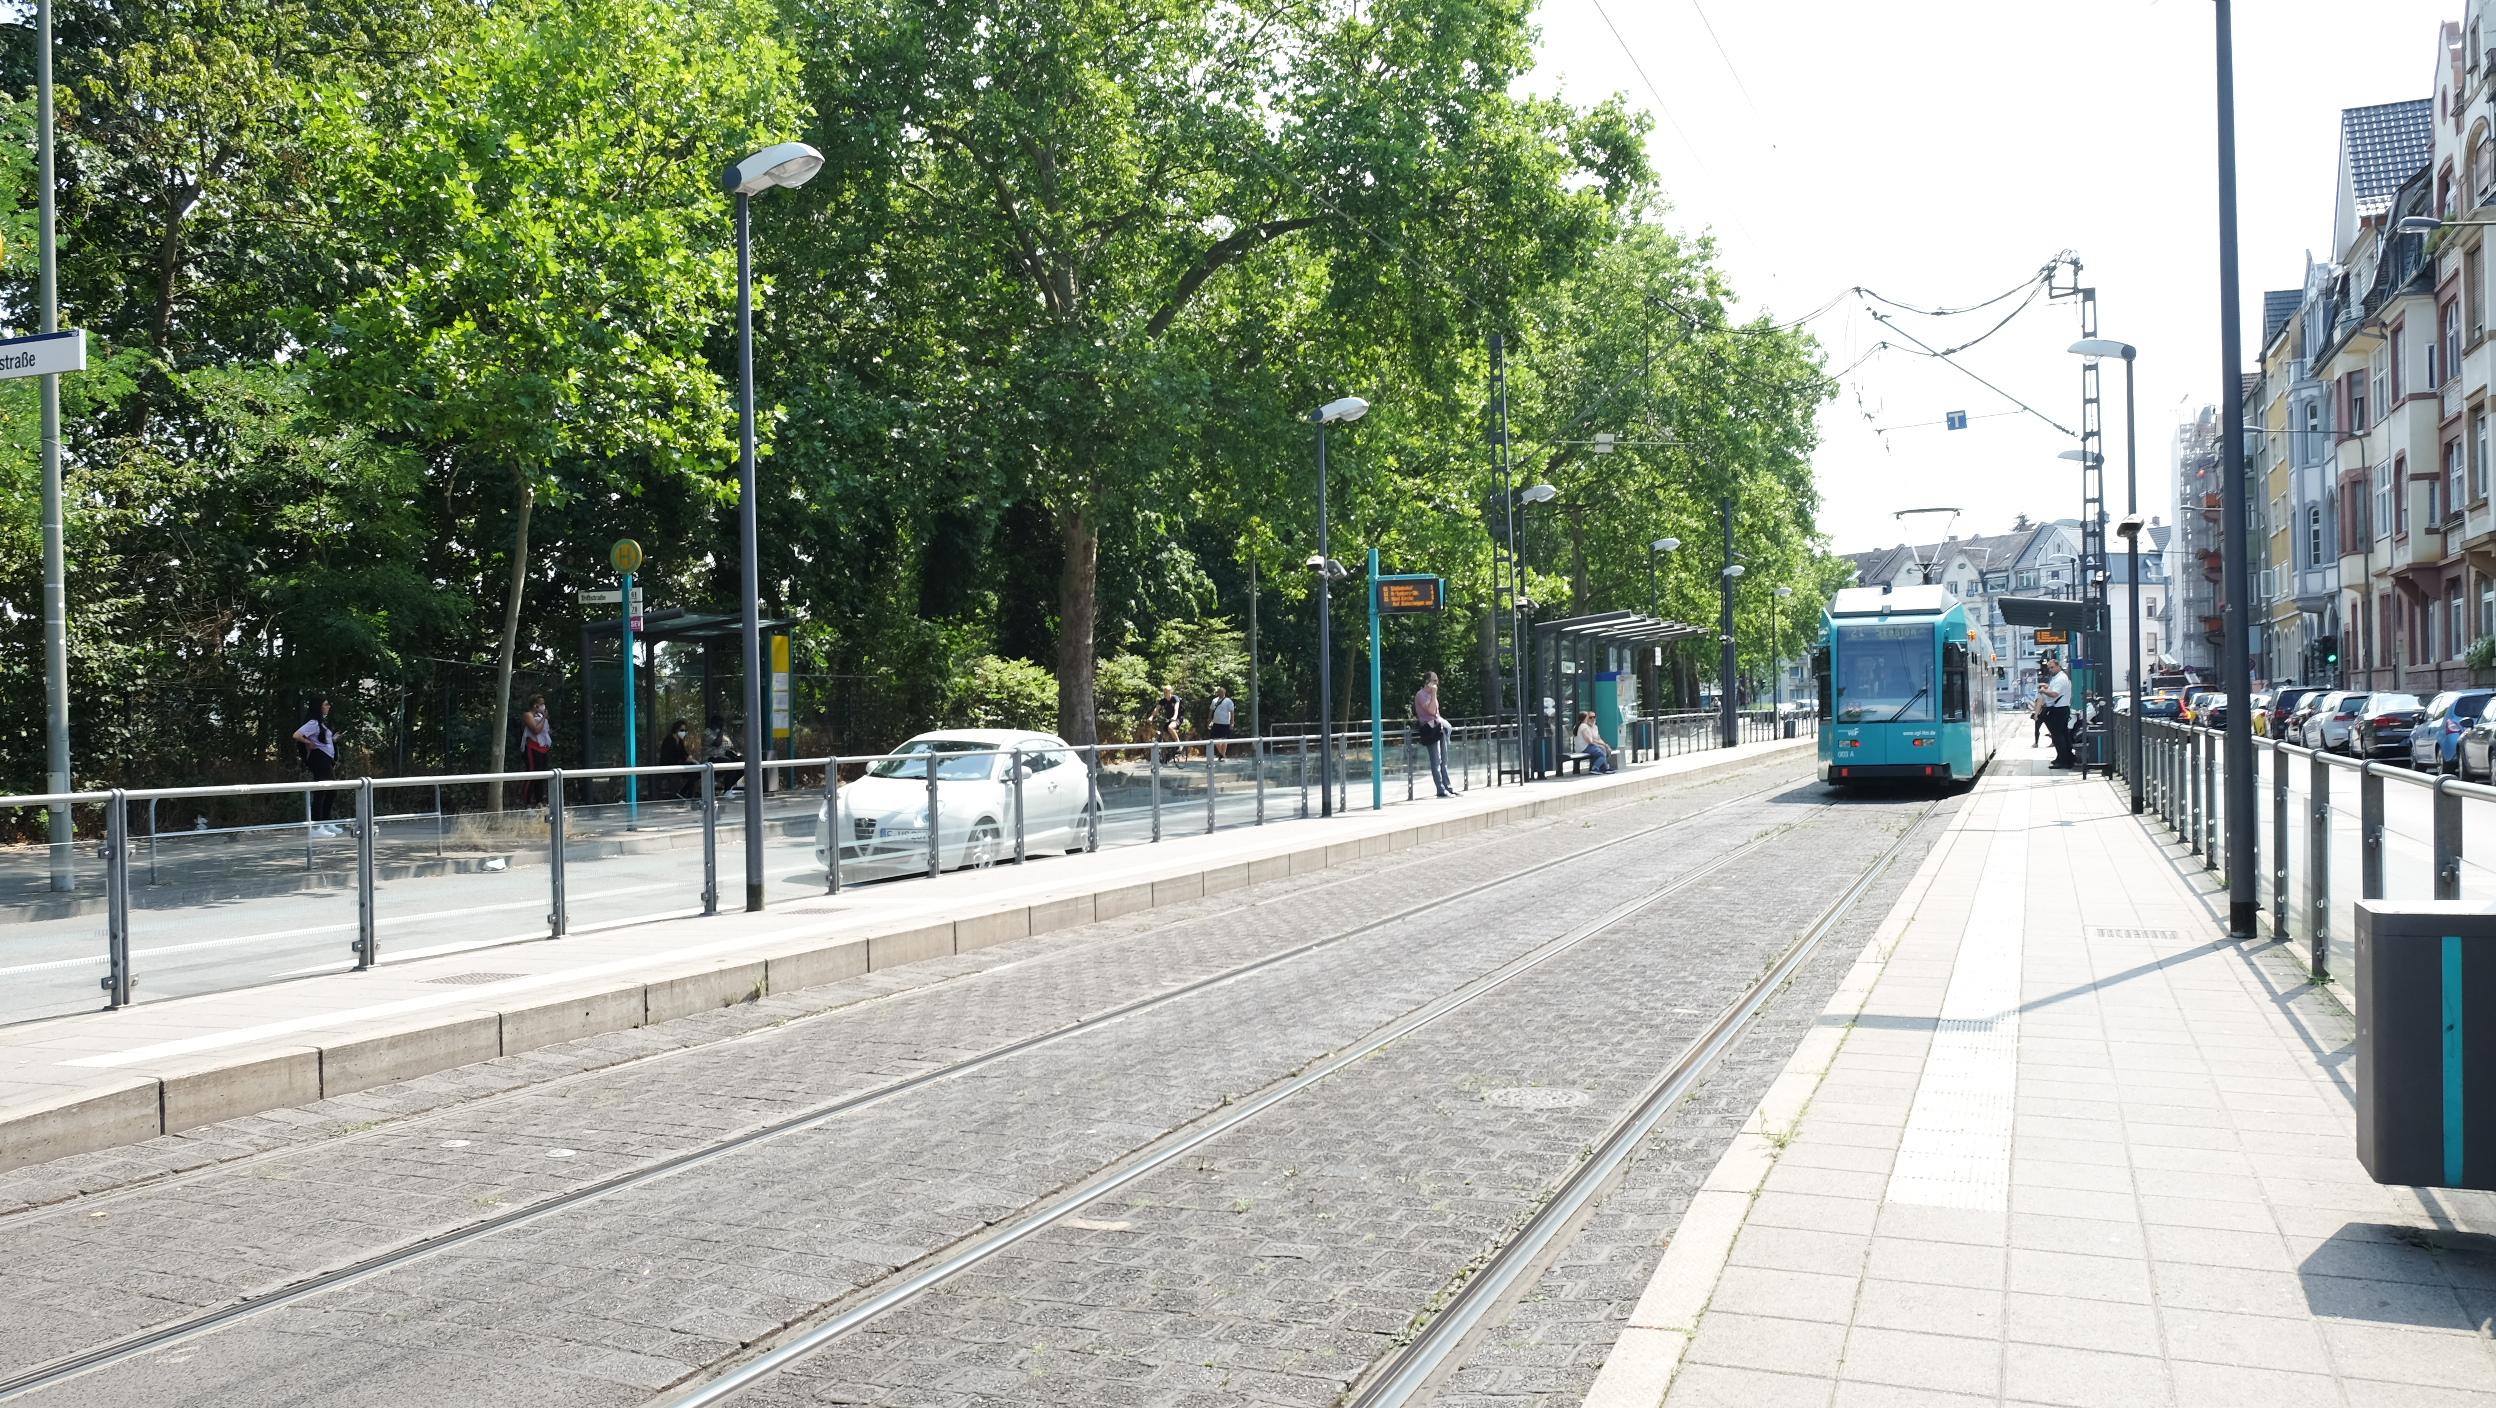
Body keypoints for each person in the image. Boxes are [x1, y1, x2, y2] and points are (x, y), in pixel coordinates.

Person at [290, 698, 342, 837]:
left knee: (331, 791)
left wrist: (334, 740)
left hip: (326, 759)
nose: (328, 706)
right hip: (319, 759)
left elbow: (323, 740)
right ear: (318, 706)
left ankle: (325, 821)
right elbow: (297, 735)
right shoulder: (313, 723)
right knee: (322, 791)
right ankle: (317, 826)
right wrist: (307, 742)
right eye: (326, 704)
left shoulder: (321, 723)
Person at [1414, 670, 1455, 797]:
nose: (1437, 683)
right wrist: (1434, 693)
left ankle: (1448, 787)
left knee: (1444, 760)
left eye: (1437, 680)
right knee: (1436, 760)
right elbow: (1432, 711)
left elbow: (1437, 714)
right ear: (1427, 682)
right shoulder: (1421, 695)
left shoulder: (1431, 694)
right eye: (1434, 680)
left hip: (1439, 727)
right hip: (1430, 729)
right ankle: (1440, 789)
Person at [518, 694, 553, 812]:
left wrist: (544, 717)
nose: (544, 706)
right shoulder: (528, 715)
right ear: (535, 705)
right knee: (532, 773)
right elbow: (536, 730)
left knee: (541, 775)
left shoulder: (540, 716)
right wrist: (544, 718)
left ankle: (539, 801)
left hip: (542, 748)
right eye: (541, 704)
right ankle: (527, 803)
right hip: (532, 748)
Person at [2041, 661, 2078, 768]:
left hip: (2059, 710)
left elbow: (2054, 694)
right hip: (2061, 709)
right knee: (2062, 735)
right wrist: (2048, 687)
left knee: (2058, 736)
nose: (2050, 670)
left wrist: (2043, 691)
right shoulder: (2058, 678)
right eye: (2049, 668)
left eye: (2052, 667)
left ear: (2058, 666)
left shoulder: (2060, 679)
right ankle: (2064, 758)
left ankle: (2063, 760)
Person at [705, 713, 744, 794]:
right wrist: (721, 731)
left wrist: (735, 754)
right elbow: (717, 743)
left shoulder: (722, 734)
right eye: (719, 724)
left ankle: (727, 786)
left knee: (741, 767)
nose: (721, 726)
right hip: (711, 759)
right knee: (730, 765)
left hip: (723, 757)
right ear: (714, 724)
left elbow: (729, 746)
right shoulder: (708, 732)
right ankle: (727, 790)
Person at [658, 719, 695, 800]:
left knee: (695, 772)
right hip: (669, 765)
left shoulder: (680, 741)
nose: (683, 732)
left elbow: (684, 753)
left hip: (679, 765)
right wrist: (685, 760)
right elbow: (670, 756)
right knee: (693, 772)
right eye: (682, 730)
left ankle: (684, 794)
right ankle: (684, 794)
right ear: (676, 729)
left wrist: (692, 759)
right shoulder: (669, 740)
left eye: (685, 730)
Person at [1576, 710, 1614, 774]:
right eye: (1590, 717)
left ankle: (1604, 768)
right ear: (1586, 718)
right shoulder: (1585, 726)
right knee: (1601, 752)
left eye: (1594, 717)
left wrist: (1605, 744)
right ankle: (1596, 768)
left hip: (1588, 746)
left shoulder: (1595, 727)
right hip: (1586, 746)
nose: (1593, 719)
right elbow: (1590, 740)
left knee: (1603, 749)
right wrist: (1601, 745)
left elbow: (1598, 738)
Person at [1207, 685, 1236, 760]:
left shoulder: (1228, 701)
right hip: (1216, 722)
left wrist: (1232, 722)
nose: (1220, 693)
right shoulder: (1214, 700)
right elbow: (1211, 710)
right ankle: (1222, 754)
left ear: (1224, 693)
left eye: (1222, 692)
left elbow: (1232, 712)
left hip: (1225, 723)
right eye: (1219, 692)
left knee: (1224, 739)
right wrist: (1209, 719)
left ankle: (1222, 755)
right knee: (1215, 739)